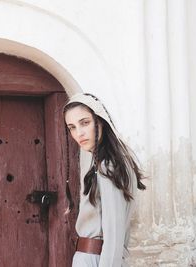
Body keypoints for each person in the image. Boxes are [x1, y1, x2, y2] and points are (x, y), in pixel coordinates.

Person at [63, 93, 146, 267]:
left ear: (100, 121)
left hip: (96, 259)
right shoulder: (104, 163)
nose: (79, 133)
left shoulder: (109, 166)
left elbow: (114, 232)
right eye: (72, 127)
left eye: (85, 123)